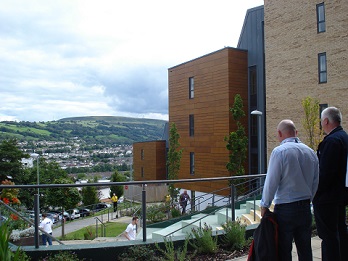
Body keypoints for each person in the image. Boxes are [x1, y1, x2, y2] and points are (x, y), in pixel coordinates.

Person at [260, 119, 319, 261]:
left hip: (285, 210)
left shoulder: (279, 152)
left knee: (284, 251)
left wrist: (264, 205)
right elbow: (316, 181)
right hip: (305, 208)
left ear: (280, 133)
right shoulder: (311, 152)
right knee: (305, 250)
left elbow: (271, 181)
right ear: (296, 133)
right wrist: (308, 200)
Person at [313, 107, 348, 261]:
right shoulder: (344, 137)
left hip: (328, 199)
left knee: (329, 237)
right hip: (341, 196)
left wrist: (315, 193)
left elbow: (325, 173)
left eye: (322, 121)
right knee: (341, 231)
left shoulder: (332, 141)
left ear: (326, 121)